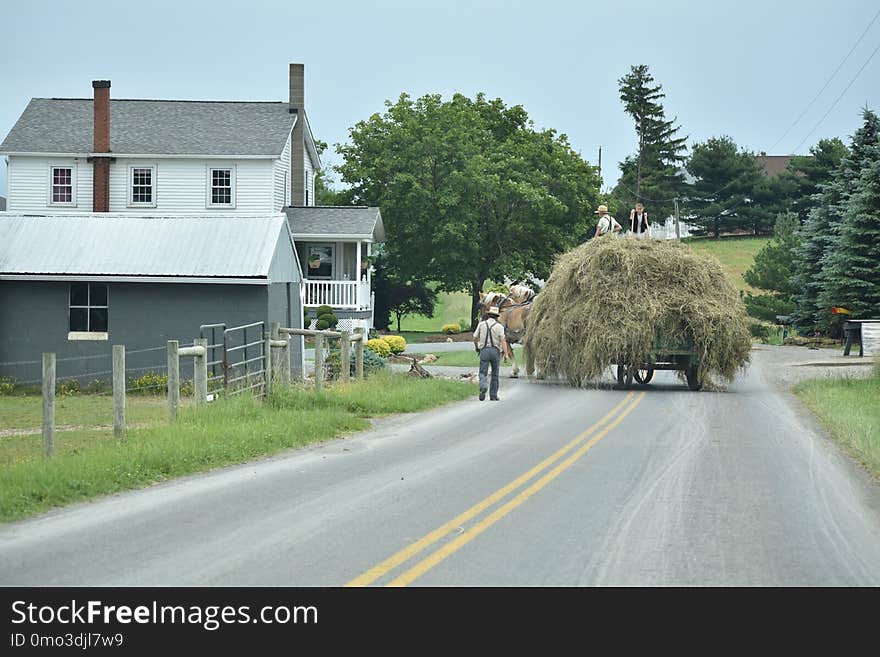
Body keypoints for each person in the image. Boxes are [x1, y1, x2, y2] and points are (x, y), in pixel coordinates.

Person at [473, 305, 508, 401]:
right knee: (495, 373)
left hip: (484, 350)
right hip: (495, 351)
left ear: (488, 315)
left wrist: (476, 347)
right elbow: (503, 341)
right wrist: (506, 354)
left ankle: (483, 385)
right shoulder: (500, 327)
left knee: (482, 371)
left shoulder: (481, 324)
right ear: (497, 316)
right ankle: (493, 395)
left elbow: (475, 337)